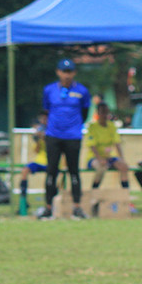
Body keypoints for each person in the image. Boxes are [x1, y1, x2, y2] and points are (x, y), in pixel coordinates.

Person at [39, 58, 90, 220]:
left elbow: (84, 113)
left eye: (69, 72)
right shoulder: (49, 90)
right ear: (58, 72)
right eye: (64, 72)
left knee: (73, 171)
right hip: (53, 135)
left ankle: (77, 207)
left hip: (73, 136)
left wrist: (74, 127)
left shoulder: (82, 91)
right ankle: (48, 207)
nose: (66, 75)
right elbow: (46, 111)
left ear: (74, 73)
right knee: (51, 171)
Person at [86, 102, 131, 191]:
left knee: (123, 167)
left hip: (109, 156)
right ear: (98, 113)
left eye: (106, 112)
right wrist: (99, 158)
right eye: (102, 112)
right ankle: (94, 191)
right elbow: (92, 145)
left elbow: (117, 143)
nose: (105, 115)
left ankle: (126, 193)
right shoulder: (92, 127)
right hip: (94, 157)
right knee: (101, 168)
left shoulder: (111, 126)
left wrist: (122, 158)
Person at [17, 111, 49, 216]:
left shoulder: (54, 131)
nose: (43, 121)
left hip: (52, 161)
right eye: (41, 119)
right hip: (40, 161)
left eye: (45, 119)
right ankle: (23, 201)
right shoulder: (40, 131)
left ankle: (50, 204)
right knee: (25, 170)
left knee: (52, 177)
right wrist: (39, 139)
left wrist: (45, 138)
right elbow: (36, 151)